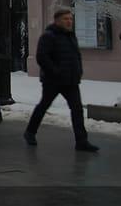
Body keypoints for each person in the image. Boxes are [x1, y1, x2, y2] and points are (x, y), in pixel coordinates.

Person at [24, 9, 99, 152]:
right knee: (44, 105)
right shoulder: (48, 36)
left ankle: (81, 141)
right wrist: (55, 71)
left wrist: (78, 71)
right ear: (57, 21)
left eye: (70, 19)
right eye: (66, 19)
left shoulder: (71, 36)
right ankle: (30, 132)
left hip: (71, 80)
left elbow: (75, 56)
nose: (69, 21)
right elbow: (42, 57)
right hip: (53, 81)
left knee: (77, 109)